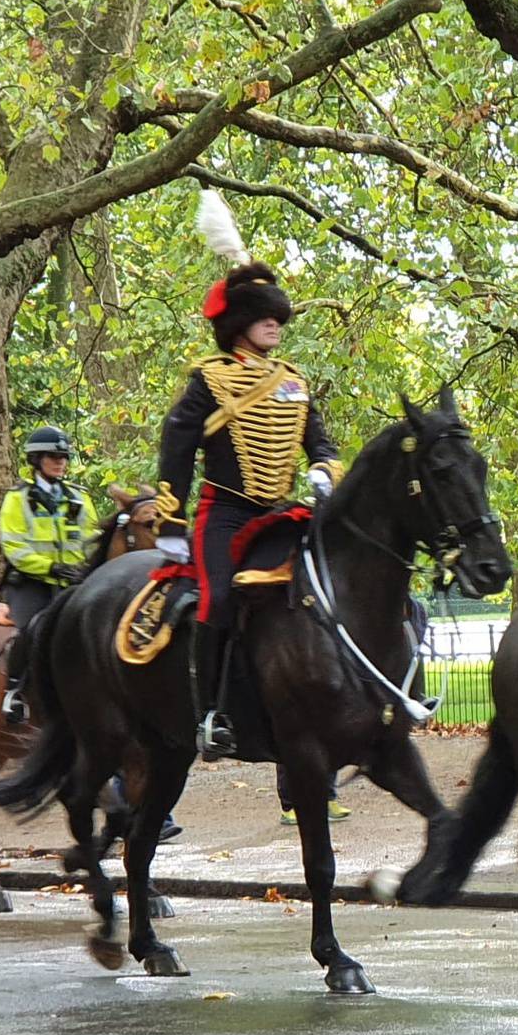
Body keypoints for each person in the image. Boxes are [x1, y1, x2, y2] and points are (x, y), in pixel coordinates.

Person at [154, 193, 341, 761]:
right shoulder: (209, 379)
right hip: (225, 512)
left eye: (277, 318)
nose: (274, 326)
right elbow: (177, 446)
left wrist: (324, 470)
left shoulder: (294, 381)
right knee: (214, 602)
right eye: (263, 318)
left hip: (279, 513)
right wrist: (170, 517)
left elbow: (322, 441)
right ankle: (211, 714)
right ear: (239, 324)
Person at [0, 425, 98, 724]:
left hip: (71, 581)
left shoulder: (79, 499)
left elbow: (91, 538)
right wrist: (49, 566)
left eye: (64, 457)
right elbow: (13, 545)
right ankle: (14, 691)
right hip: (30, 583)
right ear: (37, 460)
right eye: (53, 457)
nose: (60, 462)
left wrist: (85, 567)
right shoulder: (17, 499)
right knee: (31, 629)